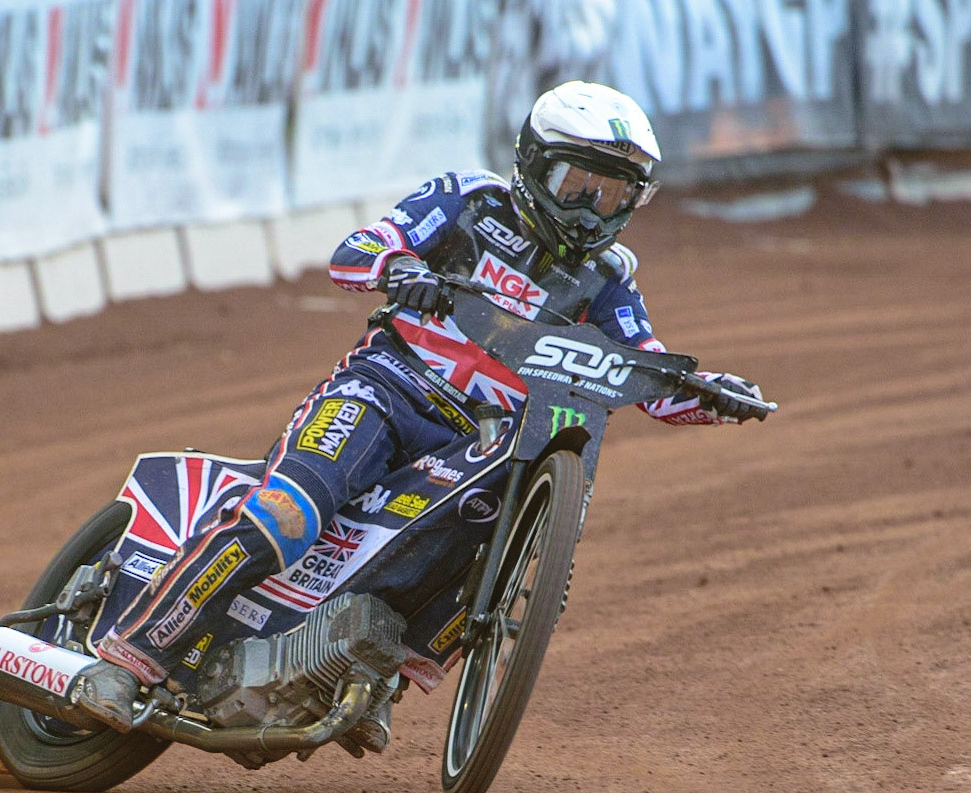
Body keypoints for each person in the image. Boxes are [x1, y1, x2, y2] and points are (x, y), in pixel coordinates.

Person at [78, 81, 764, 742]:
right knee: (290, 514)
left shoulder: (609, 277)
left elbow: (645, 365)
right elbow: (359, 250)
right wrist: (401, 269)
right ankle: (130, 655)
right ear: (533, 165)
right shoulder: (469, 199)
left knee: (489, 529)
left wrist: (713, 391)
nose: (591, 212)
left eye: (613, 197)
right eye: (577, 186)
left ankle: (369, 675)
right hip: (386, 389)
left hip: (474, 439)